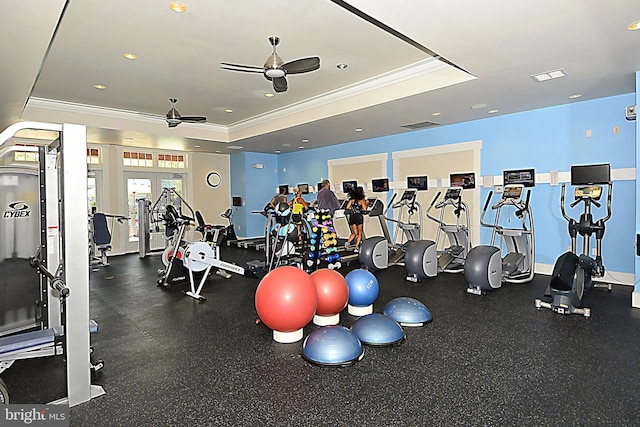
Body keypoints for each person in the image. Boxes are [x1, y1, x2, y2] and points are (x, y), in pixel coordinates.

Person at [345, 186, 368, 250]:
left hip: (352, 216)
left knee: (354, 233)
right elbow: (364, 208)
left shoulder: (352, 199)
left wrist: (352, 209)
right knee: (360, 233)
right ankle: (357, 247)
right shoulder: (362, 199)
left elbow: (347, 207)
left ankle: (348, 242)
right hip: (358, 217)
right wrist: (367, 203)